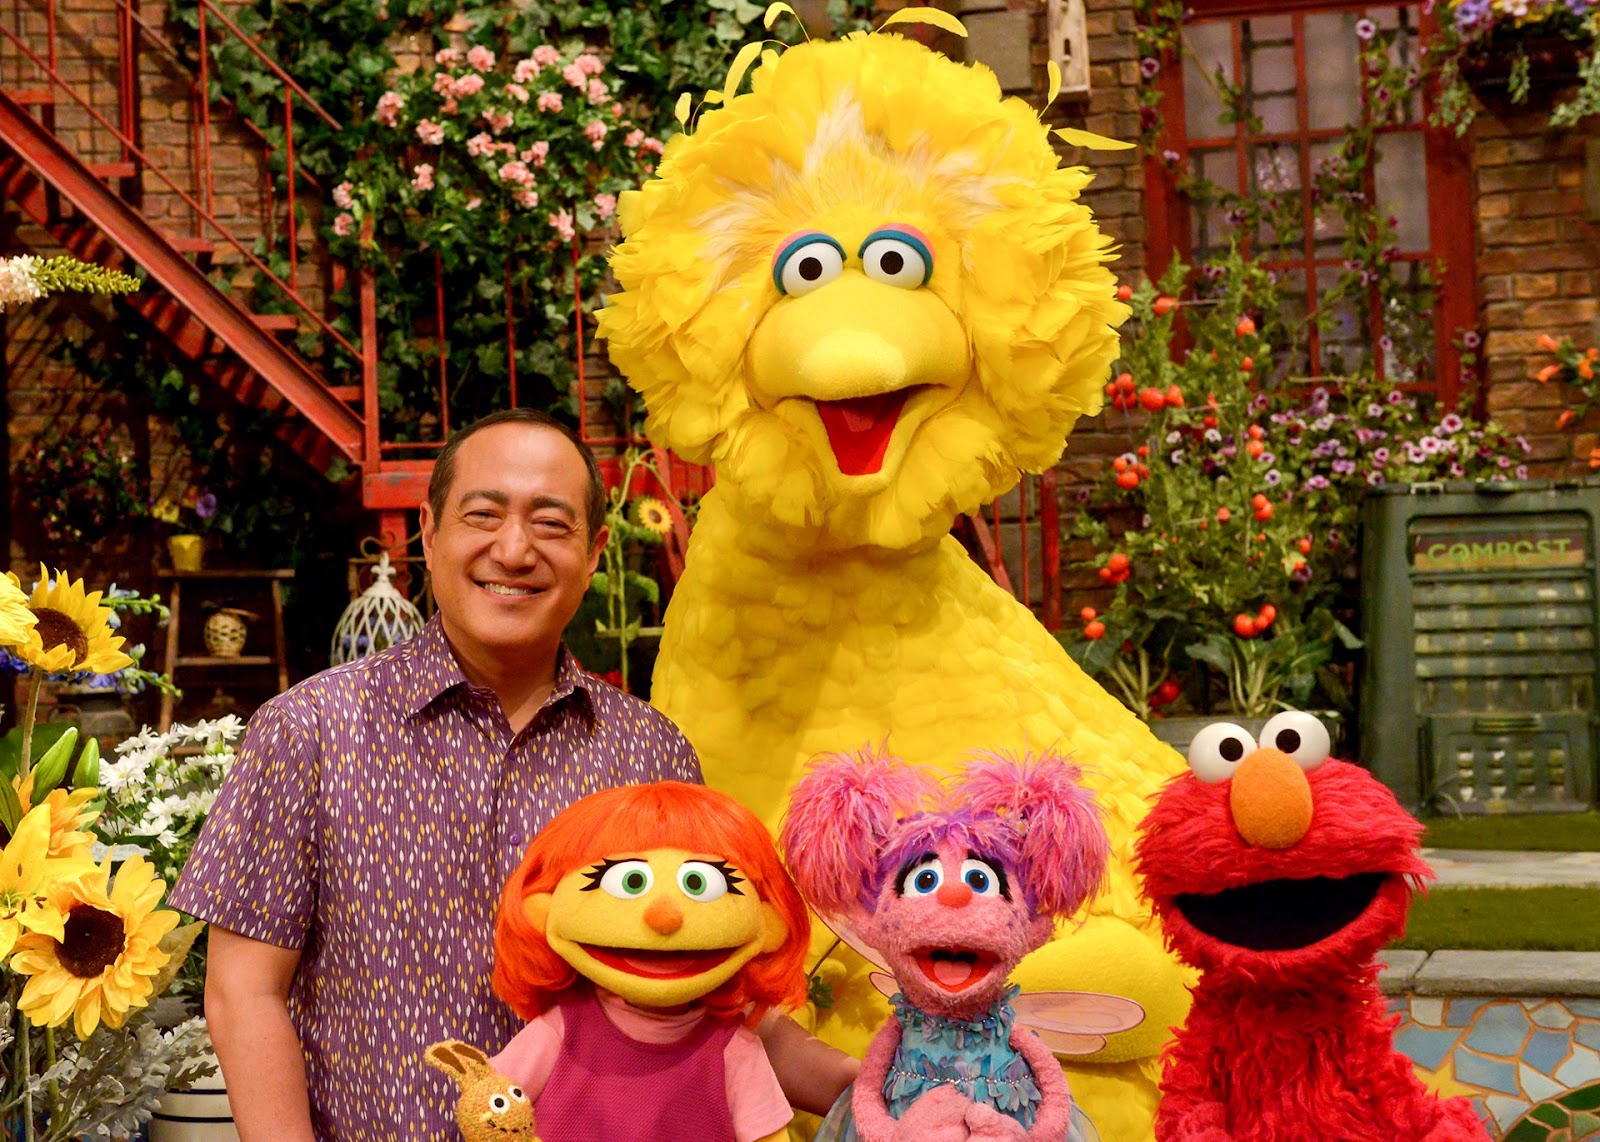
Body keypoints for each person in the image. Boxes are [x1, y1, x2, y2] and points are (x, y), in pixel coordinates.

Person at [170, 409, 856, 1141]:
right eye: (483, 515)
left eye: (551, 524)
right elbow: (244, 992)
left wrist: (894, 1087)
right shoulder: (310, 731)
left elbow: (714, 993)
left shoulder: (648, 753)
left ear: (594, 553)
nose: (514, 549)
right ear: (429, 532)